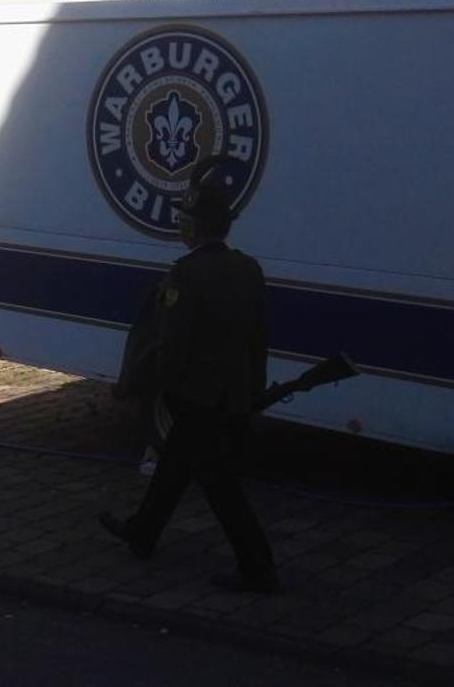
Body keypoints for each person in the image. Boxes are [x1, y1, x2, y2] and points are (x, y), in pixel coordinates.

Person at [98, 156, 278, 594]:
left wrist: (159, 386)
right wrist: (254, 387)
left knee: (218, 483)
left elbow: (174, 343)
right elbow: (258, 337)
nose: (181, 226)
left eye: (184, 220)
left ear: (195, 228)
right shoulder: (248, 269)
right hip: (230, 391)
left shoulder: (187, 273)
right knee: (177, 463)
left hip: (194, 393)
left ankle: (258, 565)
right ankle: (143, 531)